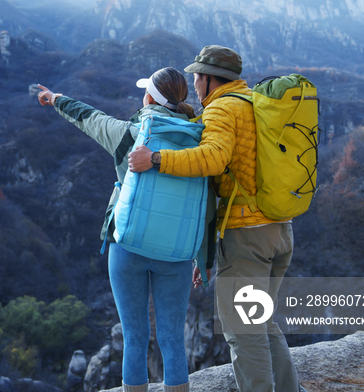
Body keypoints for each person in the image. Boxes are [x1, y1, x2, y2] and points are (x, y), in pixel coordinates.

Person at [128, 46, 301, 392]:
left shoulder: (223, 107)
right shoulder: (254, 101)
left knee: (242, 329)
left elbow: (212, 159)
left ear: (208, 79)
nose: (193, 82)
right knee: (261, 321)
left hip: (247, 235)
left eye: (196, 76)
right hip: (280, 229)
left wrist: (157, 159)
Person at [37, 67, 197, 392]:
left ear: (150, 97)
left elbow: (88, 116)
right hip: (177, 254)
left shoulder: (128, 133)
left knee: (134, 336)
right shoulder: (200, 138)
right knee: (171, 338)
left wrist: (55, 99)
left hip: (128, 246)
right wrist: (205, 254)